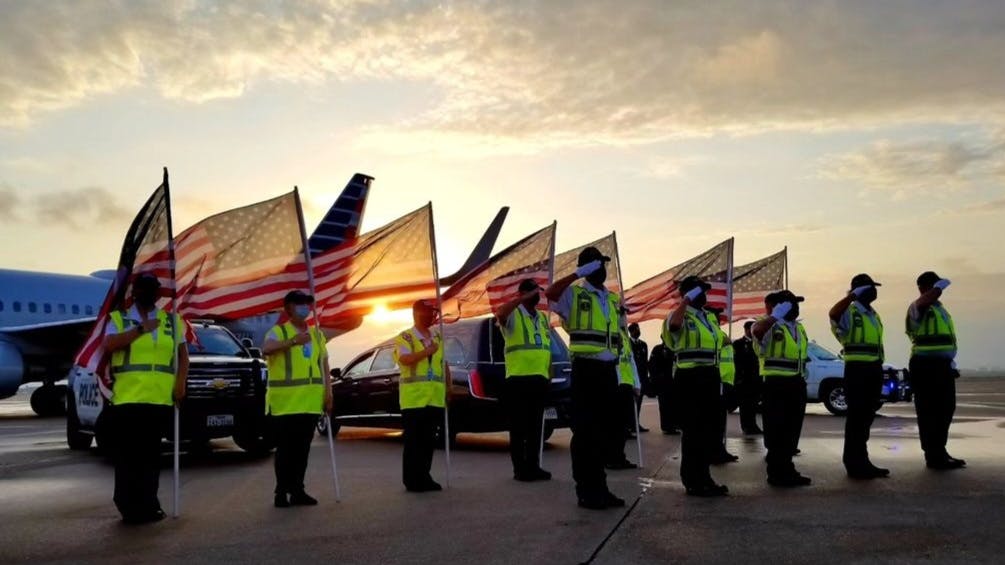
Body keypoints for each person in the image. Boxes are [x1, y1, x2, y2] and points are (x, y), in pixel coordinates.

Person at [102, 273, 189, 524]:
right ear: (134, 292)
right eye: (142, 289)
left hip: (159, 400)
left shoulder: (172, 321)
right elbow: (109, 345)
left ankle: (150, 504)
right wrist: (140, 329)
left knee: (150, 458)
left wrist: (180, 383)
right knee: (128, 457)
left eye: (152, 289)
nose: (147, 294)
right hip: (128, 400)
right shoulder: (120, 319)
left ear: (158, 293)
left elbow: (183, 357)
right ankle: (128, 506)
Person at [546, 246, 626, 510]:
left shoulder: (612, 299)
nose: (601, 269)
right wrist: (576, 274)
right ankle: (587, 491)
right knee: (585, 434)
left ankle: (601, 488)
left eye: (602, 265)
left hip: (608, 372)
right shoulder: (575, 294)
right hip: (585, 371)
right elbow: (551, 294)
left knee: (604, 433)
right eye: (595, 265)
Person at [262, 290, 333, 508]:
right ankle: (281, 492)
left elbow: (324, 365)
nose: (305, 308)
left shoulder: (317, 334)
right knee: (285, 450)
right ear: (289, 308)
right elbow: (267, 349)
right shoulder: (279, 331)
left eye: (307, 304)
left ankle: (298, 490)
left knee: (302, 449)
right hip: (286, 403)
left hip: (310, 402)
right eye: (300, 304)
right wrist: (293, 341)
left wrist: (328, 393)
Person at [662, 275, 729, 497]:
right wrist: (685, 301)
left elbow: (721, 341)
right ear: (689, 293)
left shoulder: (709, 317)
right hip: (689, 377)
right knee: (693, 431)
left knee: (708, 431)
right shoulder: (678, 314)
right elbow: (674, 327)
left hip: (710, 375)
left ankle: (705, 477)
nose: (704, 294)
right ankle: (693, 480)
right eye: (700, 291)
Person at [829, 274, 890, 480]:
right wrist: (851, 296)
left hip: (873, 369)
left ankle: (862, 460)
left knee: (866, 418)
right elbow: (834, 314)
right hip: (857, 370)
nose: (874, 291)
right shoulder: (850, 311)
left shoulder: (873, 314)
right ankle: (854, 463)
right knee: (857, 418)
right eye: (870, 287)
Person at [906, 271, 965, 470]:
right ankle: (933, 455)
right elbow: (923, 303)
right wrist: (939, 287)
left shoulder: (940, 309)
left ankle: (940, 450)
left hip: (942, 367)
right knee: (929, 411)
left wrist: (950, 363)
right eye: (933, 286)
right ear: (924, 288)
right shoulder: (917, 307)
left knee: (946, 409)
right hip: (925, 367)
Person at [752, 291, 812, 487]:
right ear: (780, 306)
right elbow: (757, 332)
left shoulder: (799, 327)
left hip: (797, 383)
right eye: (792, 304)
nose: (796, 307)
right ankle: (776, 473)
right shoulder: (768, 325)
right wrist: (775, 315)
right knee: (777, 431)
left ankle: (787, 469)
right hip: (776, 384)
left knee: (792, 431)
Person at [495, 279, 553, 482]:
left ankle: (534, 466)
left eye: (538, 291)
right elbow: (500, 314)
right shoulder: (514, 315)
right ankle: (520, 470)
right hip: (518, 379)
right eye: (534, 291)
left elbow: (546, 349)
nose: (537, 295)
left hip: (539, 379)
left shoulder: (543, 318)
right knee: (519, 428)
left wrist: (549, 375)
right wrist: (521, 299)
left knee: (536, 427)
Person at [394, 299, 452, 492]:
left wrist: (448, 388)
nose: (432, 316)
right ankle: (411, 480)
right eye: (428, 312)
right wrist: (427, 351)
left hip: (434, 397)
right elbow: (405, 359)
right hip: (414, 399)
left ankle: (425, 476)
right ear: (418, 313)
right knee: (414, 442)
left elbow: (443, 364)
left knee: (429, 441)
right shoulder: (406, 337)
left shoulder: (437, 337)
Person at [606, 325, 640, 471]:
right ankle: (610, 457)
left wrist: (636, 383)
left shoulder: (625, 336)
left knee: (624, 424)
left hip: (627, 383)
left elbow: (631, 361)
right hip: (615, 383)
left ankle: (619, 456)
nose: (624, 317)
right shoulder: (609, 331)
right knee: (612, 424)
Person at [710, 312, 739, 465]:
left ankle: (720, 449)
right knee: (716, 421)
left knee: (721, 420)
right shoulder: (715, 335)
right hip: (718, 381)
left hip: (726, 381)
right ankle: (715, 451)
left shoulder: (719, 334)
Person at [733, 320, 763, 435]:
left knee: (753, 405)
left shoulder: (758, 343)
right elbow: (737, 362)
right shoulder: (738, 344)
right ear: (746, 330)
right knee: (745, 406)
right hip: (744, 380)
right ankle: (746, 426)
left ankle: (753, 425)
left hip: (755, 379)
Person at [649, 342, 679, 434]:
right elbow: (652, 365)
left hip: (675, 381)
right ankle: (666, 427)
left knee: (675, 405)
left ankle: (675, 425)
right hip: (663, 382)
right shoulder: (657, 349)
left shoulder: (676, 348)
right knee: (664, 405)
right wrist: (656, 379)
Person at [628, 323, 651, 433]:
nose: (638, 331)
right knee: (629, 404)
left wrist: (646, 378)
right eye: (636, 330)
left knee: (639, 403)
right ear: (631, 331)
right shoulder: (627, 344)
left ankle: (636, 424)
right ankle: (629, 425)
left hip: (641, 378)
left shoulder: (643, 345)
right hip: (631, 378)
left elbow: (645, 362)